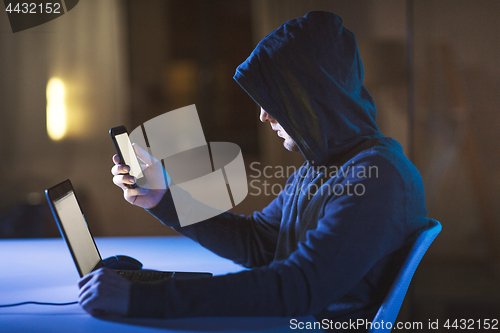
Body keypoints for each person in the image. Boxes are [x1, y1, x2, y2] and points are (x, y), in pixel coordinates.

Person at [78, 11, 428, 326]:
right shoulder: (326, 165)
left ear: (312, 97)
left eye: (273, 100)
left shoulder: (377, 177)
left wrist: (140, 298)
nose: (263, 115)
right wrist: (164, 198)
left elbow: (300, 288)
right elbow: (258, 243)